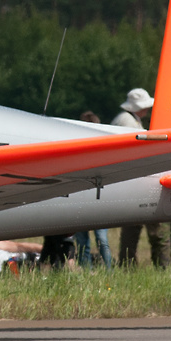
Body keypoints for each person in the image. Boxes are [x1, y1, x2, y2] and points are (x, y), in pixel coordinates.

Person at [113, 88, 168, 266]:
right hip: (139, 182)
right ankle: (162, 266)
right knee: (156, 231)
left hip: (129, 182)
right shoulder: (129, 123)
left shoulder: (122, 119)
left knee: (131, 231)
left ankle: (126, 265)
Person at [75, 111, 113, 268]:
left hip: (98, 200)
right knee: (85, 240)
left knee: (100, 239)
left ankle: (109, 269)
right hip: (83, 199)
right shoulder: (77, 150)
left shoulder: (104, 151)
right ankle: (87, 270)